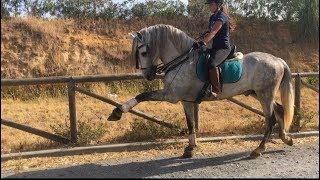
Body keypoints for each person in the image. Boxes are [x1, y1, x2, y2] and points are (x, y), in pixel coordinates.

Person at [192, 0, 236, 98]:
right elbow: (210, 32)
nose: (209, 6)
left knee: (212, 64)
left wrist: (203, 42)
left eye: (211, 4)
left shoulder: (222, 16)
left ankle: (216, 90)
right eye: (209, 4)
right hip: (215, 47)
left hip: (223, 48)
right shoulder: (212, 17)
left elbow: (214, 32)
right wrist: (200, 41)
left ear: (218, 5)